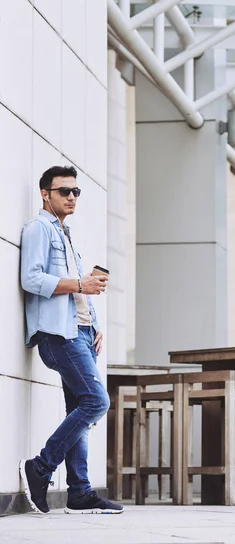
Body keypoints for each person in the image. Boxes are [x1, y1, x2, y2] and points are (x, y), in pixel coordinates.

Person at [19, 166, 123, 515]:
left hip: (81, 331)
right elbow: (32, 279)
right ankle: (41, 466)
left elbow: (76, 287)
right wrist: (80, 285)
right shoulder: (38, 229)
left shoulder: (66, 233)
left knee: (79, 408)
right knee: (96, 401)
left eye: (76, 192)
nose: (72, 197)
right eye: (64, 191)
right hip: (58, 334)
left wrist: (92, 321)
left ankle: (78, 491)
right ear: (45, 194)